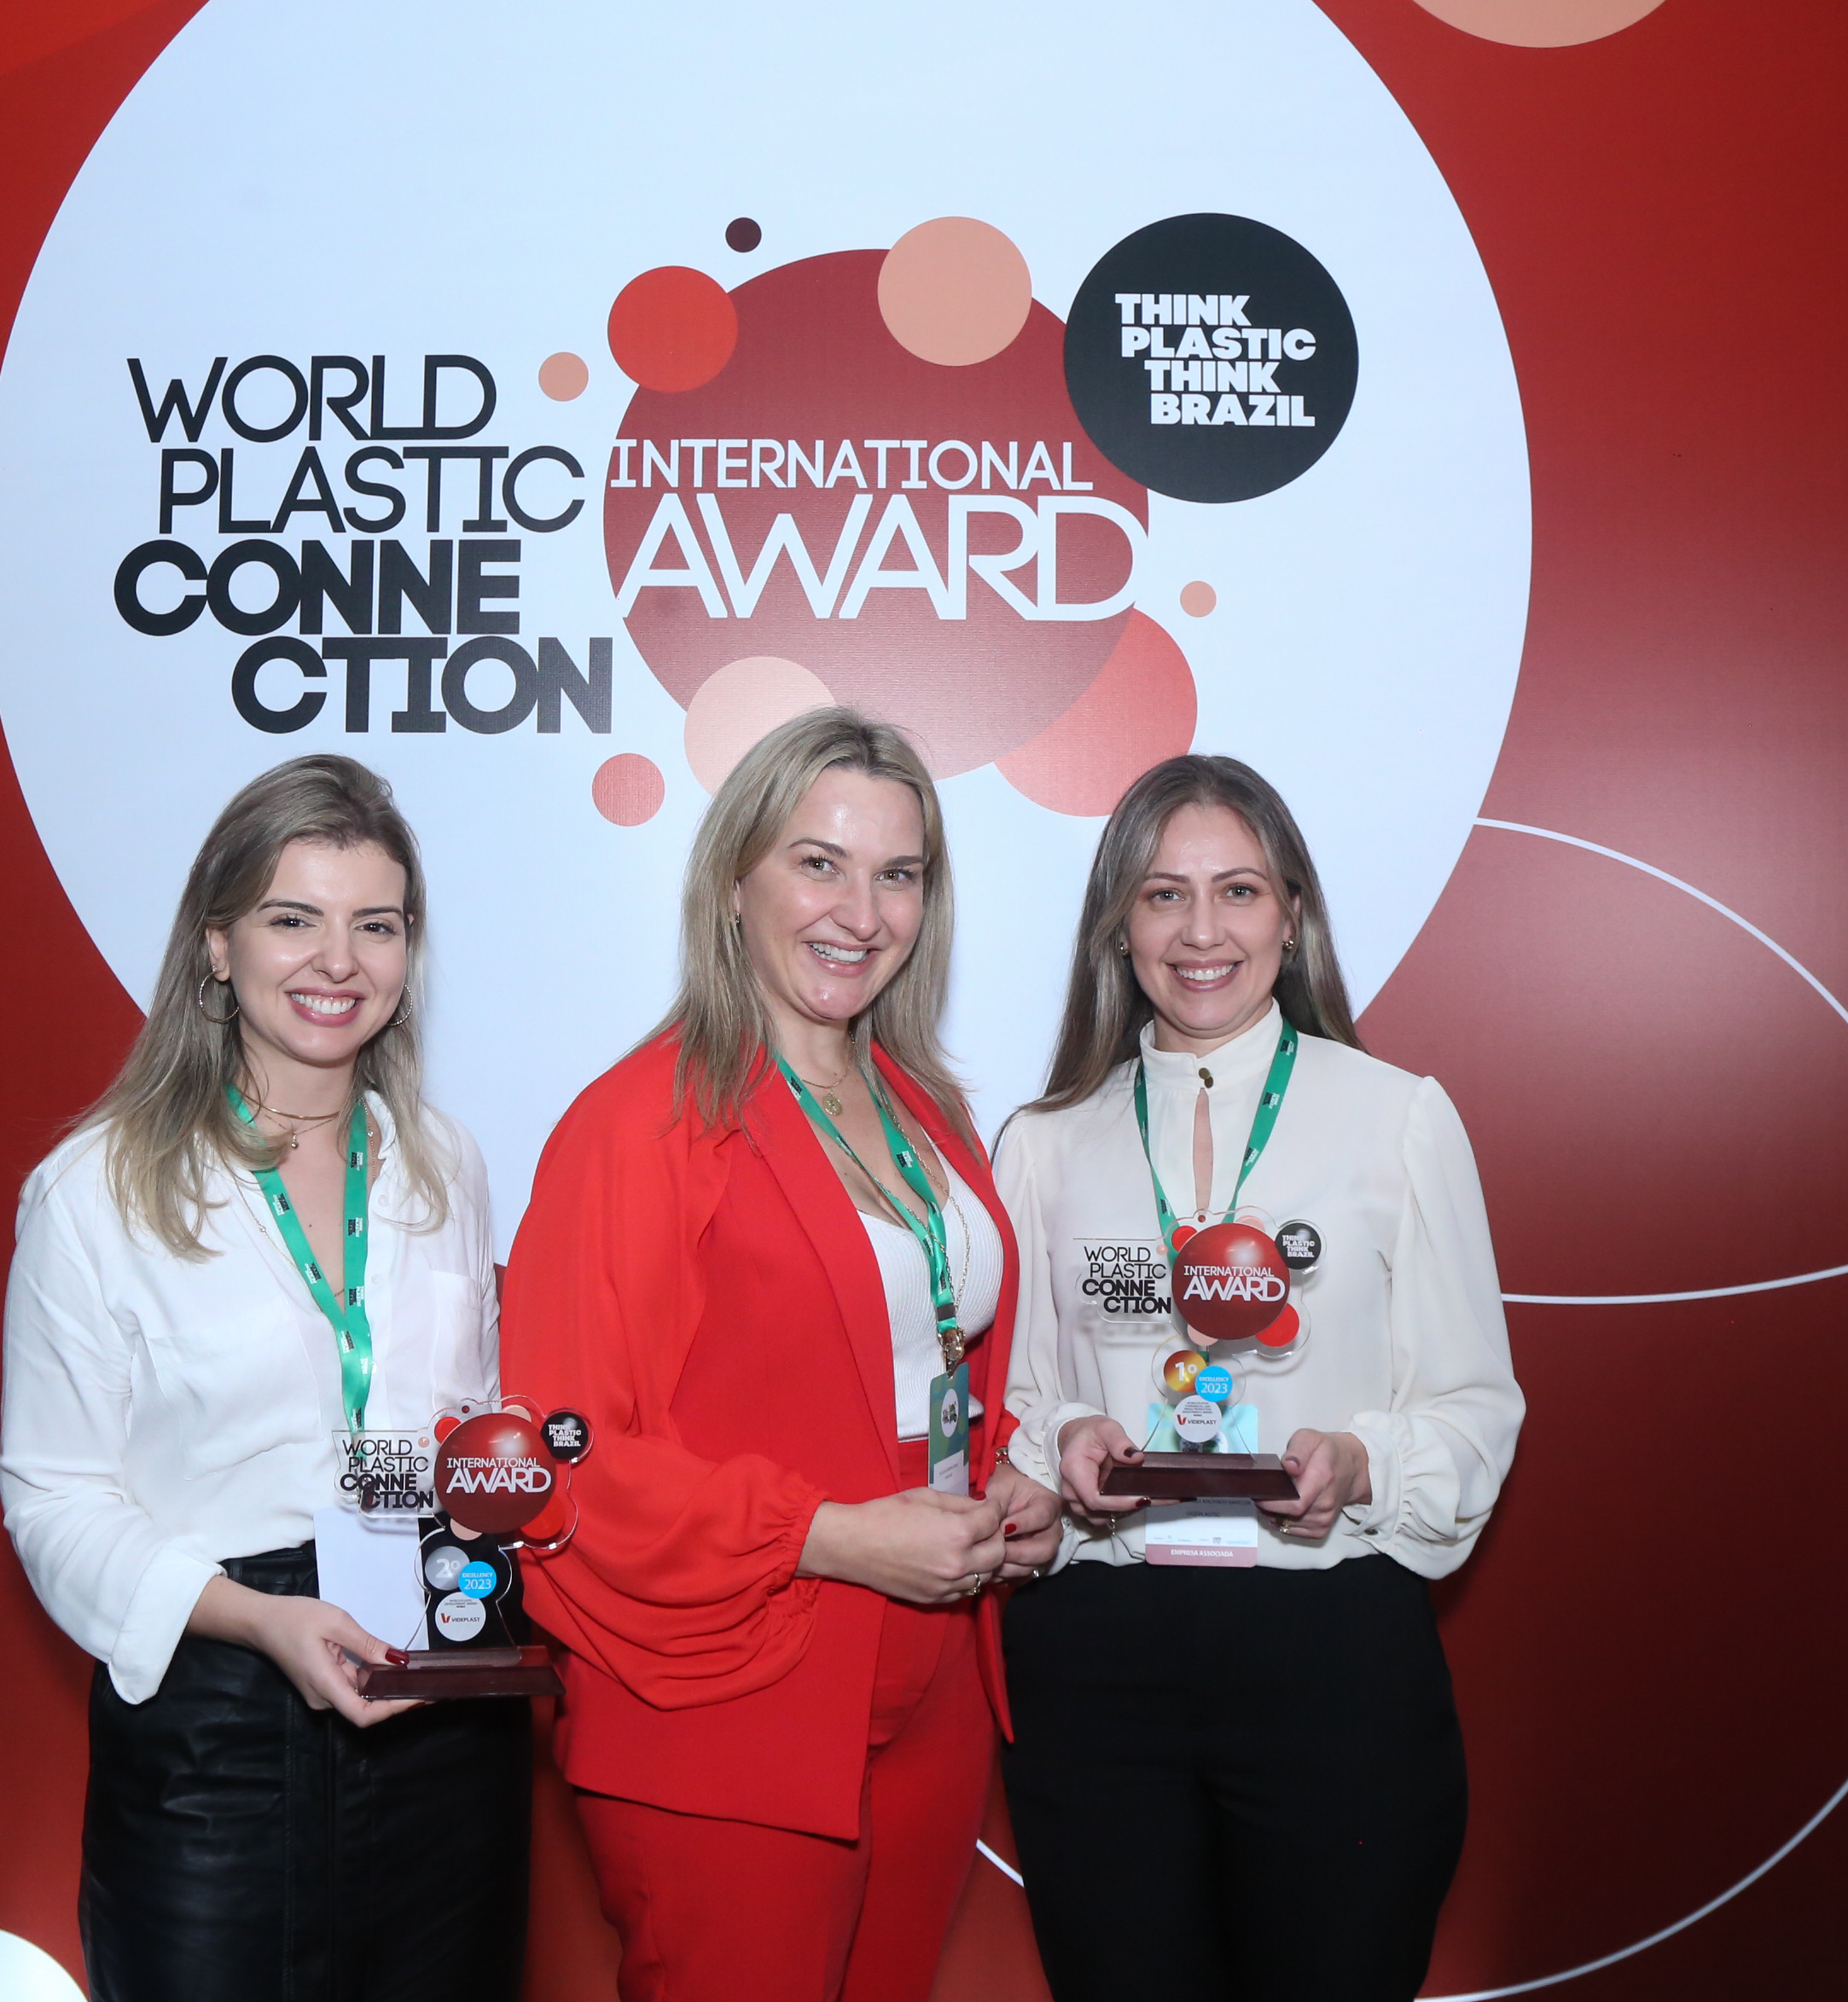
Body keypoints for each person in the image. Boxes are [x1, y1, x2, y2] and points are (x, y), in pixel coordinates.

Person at [502, 708, 1063, 2002]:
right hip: (731, 1695)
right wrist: (830, 1535)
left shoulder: (924, 1108)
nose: (861, 913)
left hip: (933, 1683)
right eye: (819, 863)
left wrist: (1005, 1484)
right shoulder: (639, 1126)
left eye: (897, 874)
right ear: (734, 880)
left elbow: (917, 1359)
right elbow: (559, 1463)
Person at [995, 754, 1523, 2002]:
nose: (1202, 932)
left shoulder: (1398, 1117)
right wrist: (1063, 1439)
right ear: (1119, 925)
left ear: (1292, 915)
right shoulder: (1044, 1142)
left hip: (1331, 1651)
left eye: (1237, 891)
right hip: (1099, 1659)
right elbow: (1006, 1403)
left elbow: (1473, 1405)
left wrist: (1360, 1462)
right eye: (1163, 894)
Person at [0, 755, 526, 2002]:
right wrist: (256, 1619)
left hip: (439, 1700)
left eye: (376, 926)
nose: (338, 961)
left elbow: (464, 1434)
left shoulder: (444, 1164)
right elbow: (52, 1498)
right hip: (216, 1717)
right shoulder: (96, 1191)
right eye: (294, 919)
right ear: (217, 946)